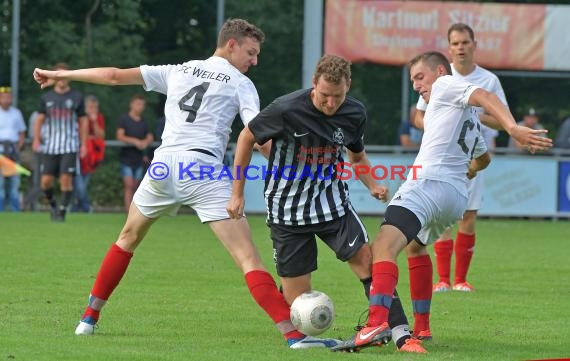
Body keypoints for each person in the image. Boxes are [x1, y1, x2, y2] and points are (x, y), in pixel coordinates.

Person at [33, 18, 339, 349]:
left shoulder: (180, 69)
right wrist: (294, 166)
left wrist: (60, 74)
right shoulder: (240, 83)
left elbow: (112, 76)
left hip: (163, 167)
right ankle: (295, 337)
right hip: (203, 169)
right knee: (248, 259)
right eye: (251, 53)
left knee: (127, 238)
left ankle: (88, 320)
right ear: (231, 44)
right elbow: (257, 137)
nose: (255, 61)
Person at [330, 51, 552, 353]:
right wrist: (469, 171)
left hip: (428, 184)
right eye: (412, 81)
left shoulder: (447, 85)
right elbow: (483, 158)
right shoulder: (465, 115)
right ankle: (421, 327)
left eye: (420, 77)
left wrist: (512, 128)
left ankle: (377, 323)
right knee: (415, 246)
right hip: (454, 198)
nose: (417, 86)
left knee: (382, 247)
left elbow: (485, 94)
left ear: (439, 71)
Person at [227, 54, 425, 353]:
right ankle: (302, 330)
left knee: (369, 263)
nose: (331, 104)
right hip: (287, 210)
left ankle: (399, 334)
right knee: (296, 299)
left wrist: (372, 185)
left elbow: (356, 156)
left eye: (338, 97)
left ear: (348, 87)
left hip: (333, 206)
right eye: (324, 96)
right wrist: (237, 192)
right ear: (313, 85)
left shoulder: (355, 112)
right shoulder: (286, 108)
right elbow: (246, 137)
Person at [416, 23, 508, 293]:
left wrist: (472, 112)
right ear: (449, 48)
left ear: (474, 45)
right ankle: (443, 279)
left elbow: (501, 121)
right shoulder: (441, 77)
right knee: (445, 217)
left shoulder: (488, 80)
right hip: (445, 159)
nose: (460, 48)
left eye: (465, 42)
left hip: (475, 157)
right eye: (455, 43)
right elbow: (418, 115)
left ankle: (461, 280)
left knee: (468, 215)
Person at [32, 62, 88, 222]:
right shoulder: (46, 97)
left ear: (69, 77)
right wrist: (36, 139)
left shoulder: (76, 97)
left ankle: (62, 212)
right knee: (46, 182)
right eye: (59, 75)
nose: (62, 78)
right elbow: (39, 120)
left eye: (65, 75)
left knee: (66, 179)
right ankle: (53, 205)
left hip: (69, 145)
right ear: (54, 77)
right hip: (50, 146)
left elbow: (83, 121)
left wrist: (83, 144)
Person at [116, 94, 153, 212]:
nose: (140, 107)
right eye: (138, 104)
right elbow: (120, 136)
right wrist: (135, 141)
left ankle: (134, 211)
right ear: (131, 104)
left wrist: (145, 142)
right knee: (129, 185)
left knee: (136, 186)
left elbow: (150, 136)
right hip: (126, 159)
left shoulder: (143, 122)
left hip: (138, 159)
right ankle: (128, 212)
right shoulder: (124, 119)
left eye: (142, 105)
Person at [72, 95, 105, 213]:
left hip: (92, 157)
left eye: (95, 107)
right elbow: (79, 134)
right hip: (78, 154)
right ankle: (86, 207)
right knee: (79, 184)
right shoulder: (79, 117)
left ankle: (74, 207)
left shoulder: (99, 118)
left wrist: (94, 121)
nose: (93, 110)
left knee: (82, 185)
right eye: (90, 107)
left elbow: (100, 135)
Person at [0, 86, 26, 212]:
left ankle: (15, 210)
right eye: (3, 97)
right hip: (0, 152)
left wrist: (18, 146)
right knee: (0, 184)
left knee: (14, 183)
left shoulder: (16, 113)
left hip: (12, 151)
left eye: (8, 97)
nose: (6, 100)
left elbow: (22, 133)